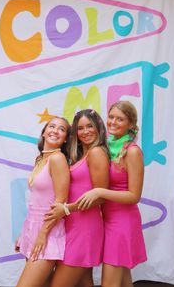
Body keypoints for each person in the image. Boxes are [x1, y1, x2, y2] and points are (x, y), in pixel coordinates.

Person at [77, 101, 147, 287]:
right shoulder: (107, 147)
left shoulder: (132, 152)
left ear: (131, 124)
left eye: (120, 119)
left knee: (110, 283)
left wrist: (100, 192)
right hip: (106, 221)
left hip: (123, 222)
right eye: (111, 117)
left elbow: (134, 196)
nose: (113, 122)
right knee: (124, 281)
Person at [45, 109, 110, 287]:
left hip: (85, 229)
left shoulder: (96, 152)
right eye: (80, 128)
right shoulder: (81, 155)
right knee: (84, 282)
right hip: (73, 226)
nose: (85, 131)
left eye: (90, 126)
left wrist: (66, 209)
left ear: (98, 128)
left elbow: (100, 196)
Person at [15, 116, 71, 287]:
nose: (55, 130)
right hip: (32, 228)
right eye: (52, 126)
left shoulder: (57, 159)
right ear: (44, 132)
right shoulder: (41, 159)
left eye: (61, 129)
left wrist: (42, 234)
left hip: (48, 232)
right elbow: (36, 200)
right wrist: (24, 234)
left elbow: (60, 203)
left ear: (66, 138)